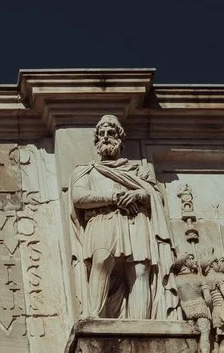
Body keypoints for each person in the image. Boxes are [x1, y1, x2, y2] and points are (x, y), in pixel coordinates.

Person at [66, 114, 161, 320]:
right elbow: (79, 197)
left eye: (111, 133)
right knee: (101, 262)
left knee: (140, 271)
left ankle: (141, 325)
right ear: (96, 141)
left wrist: (137, 194)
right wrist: (113, 197)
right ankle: (94, 317)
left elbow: (154, 196)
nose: (106, 137)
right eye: (101, 134)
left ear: (120, 139)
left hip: (135, 221)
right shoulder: (87, 171)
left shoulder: (138, 171)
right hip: (102, 220)